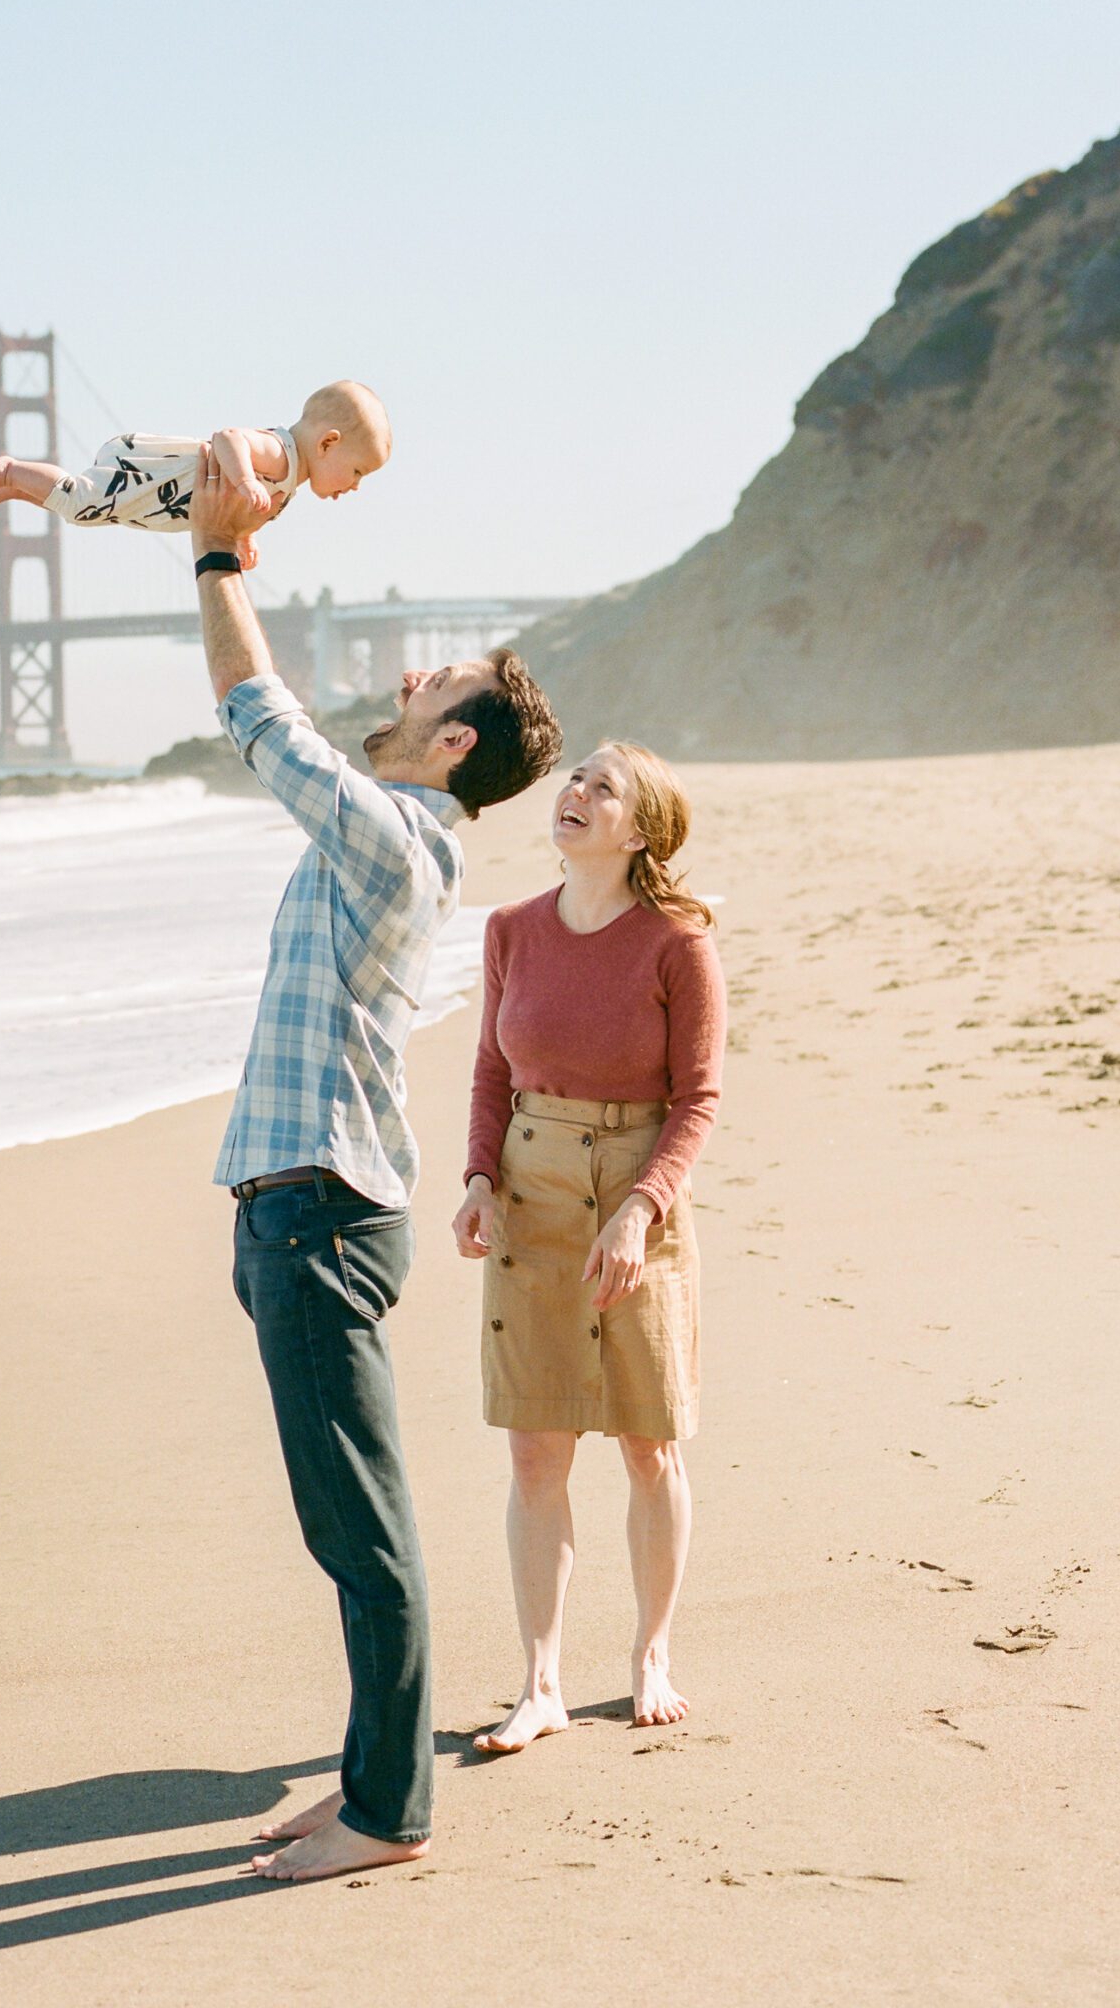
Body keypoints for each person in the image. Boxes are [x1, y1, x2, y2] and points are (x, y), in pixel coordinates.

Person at [188, 455, 560, 1883]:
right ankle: (364, 1778)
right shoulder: (397, 842)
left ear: (453, 744)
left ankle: (388, 1814)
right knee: (342, 1523)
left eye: (433, 682)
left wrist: (215, 558)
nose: (407, 678)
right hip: (297, 1207)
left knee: (360, 1530)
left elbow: (257, 721)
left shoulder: (400, 841)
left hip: (317, 1216)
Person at [451, 743, 725, 1749]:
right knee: (535, 1447)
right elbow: (489, 1069)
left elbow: (695, 1101)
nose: (572, 792)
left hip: (636, 1196)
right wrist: (478, 1176)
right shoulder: (510, 929)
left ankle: (650, 1653)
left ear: (639, 829)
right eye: (572, 775)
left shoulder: (676, 944)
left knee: (648, 1443)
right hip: (530, 1189)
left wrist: (640, 1207)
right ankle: (540, 1681)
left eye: (600, 786)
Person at [0, 378, 389, 567]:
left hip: (158, 501)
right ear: (328, 443)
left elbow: (242, 499)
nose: (354, 486)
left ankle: (13, 488)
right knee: (80, 502)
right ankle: (11, 468)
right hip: (152, 477)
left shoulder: (291, 472)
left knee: (79, 513)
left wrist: (245, 533)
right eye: (357, 471)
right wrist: (244, 481)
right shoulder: (281, 451)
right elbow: (228, 439)